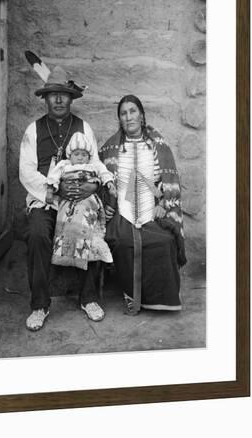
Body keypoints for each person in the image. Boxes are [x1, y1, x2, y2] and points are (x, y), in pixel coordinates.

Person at [20, 52, 106, 331]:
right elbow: (26, 170)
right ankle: (40, 305)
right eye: (52, 94)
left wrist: (91, 186)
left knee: (91, 229)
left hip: (80, 198)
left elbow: (95, 164)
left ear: (71, 98)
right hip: (46, 201)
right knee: (36, 233)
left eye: (63, 95)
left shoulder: (84, 128)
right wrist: (50, 194)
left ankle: (89, 298)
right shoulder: (33, 130)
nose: (58, 99)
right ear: (45, 98)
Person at [99, 94, 187, 315]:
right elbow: (100, 180)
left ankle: (161, 296)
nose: (128, 117)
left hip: (152, 207)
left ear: (141, 115)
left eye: (132, 111)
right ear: (119, 119)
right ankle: (131, 293)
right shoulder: (110, 149)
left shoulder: (159, 146)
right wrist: (108, 203)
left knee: (165, 240)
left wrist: (164, 204)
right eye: (123, 113)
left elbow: (169, 181)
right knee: (122, 241)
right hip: (123, 209)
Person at [46, 131, 115, 270]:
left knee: (86, 223)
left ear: (88, 156)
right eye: (76, 154)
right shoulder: (64, 164)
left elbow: (103, 172)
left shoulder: (92, 165)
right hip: (68, 200)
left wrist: (109, 183)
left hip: (87, 200)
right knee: (67, 223)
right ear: (70, 155)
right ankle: (65, 253)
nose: (80, 158)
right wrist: (50, 190)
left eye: (84, 155)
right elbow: (53, 176)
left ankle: (92, 249)